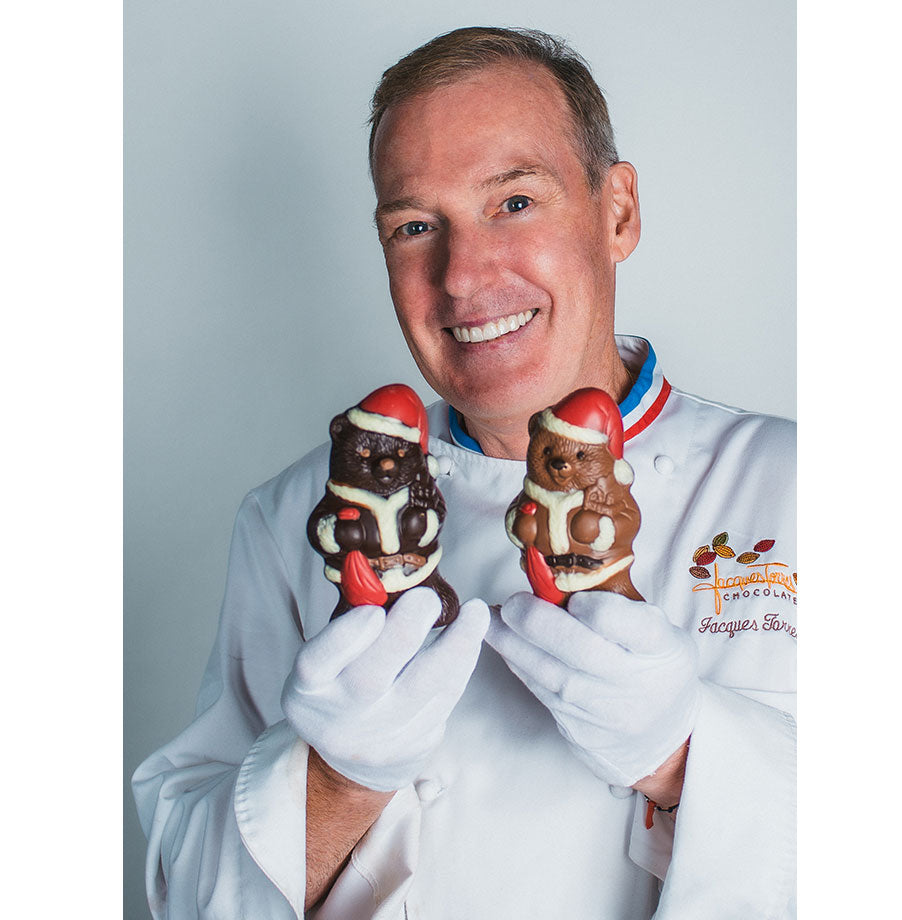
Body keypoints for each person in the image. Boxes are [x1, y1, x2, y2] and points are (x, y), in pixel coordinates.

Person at [133, 26, 796, 920]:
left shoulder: (807, 488)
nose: (463, 276)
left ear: (619, 212)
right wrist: (333, 775)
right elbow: (183, 893)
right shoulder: (291, 519)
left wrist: (686, 756)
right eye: (414, 226)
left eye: (514, 201)